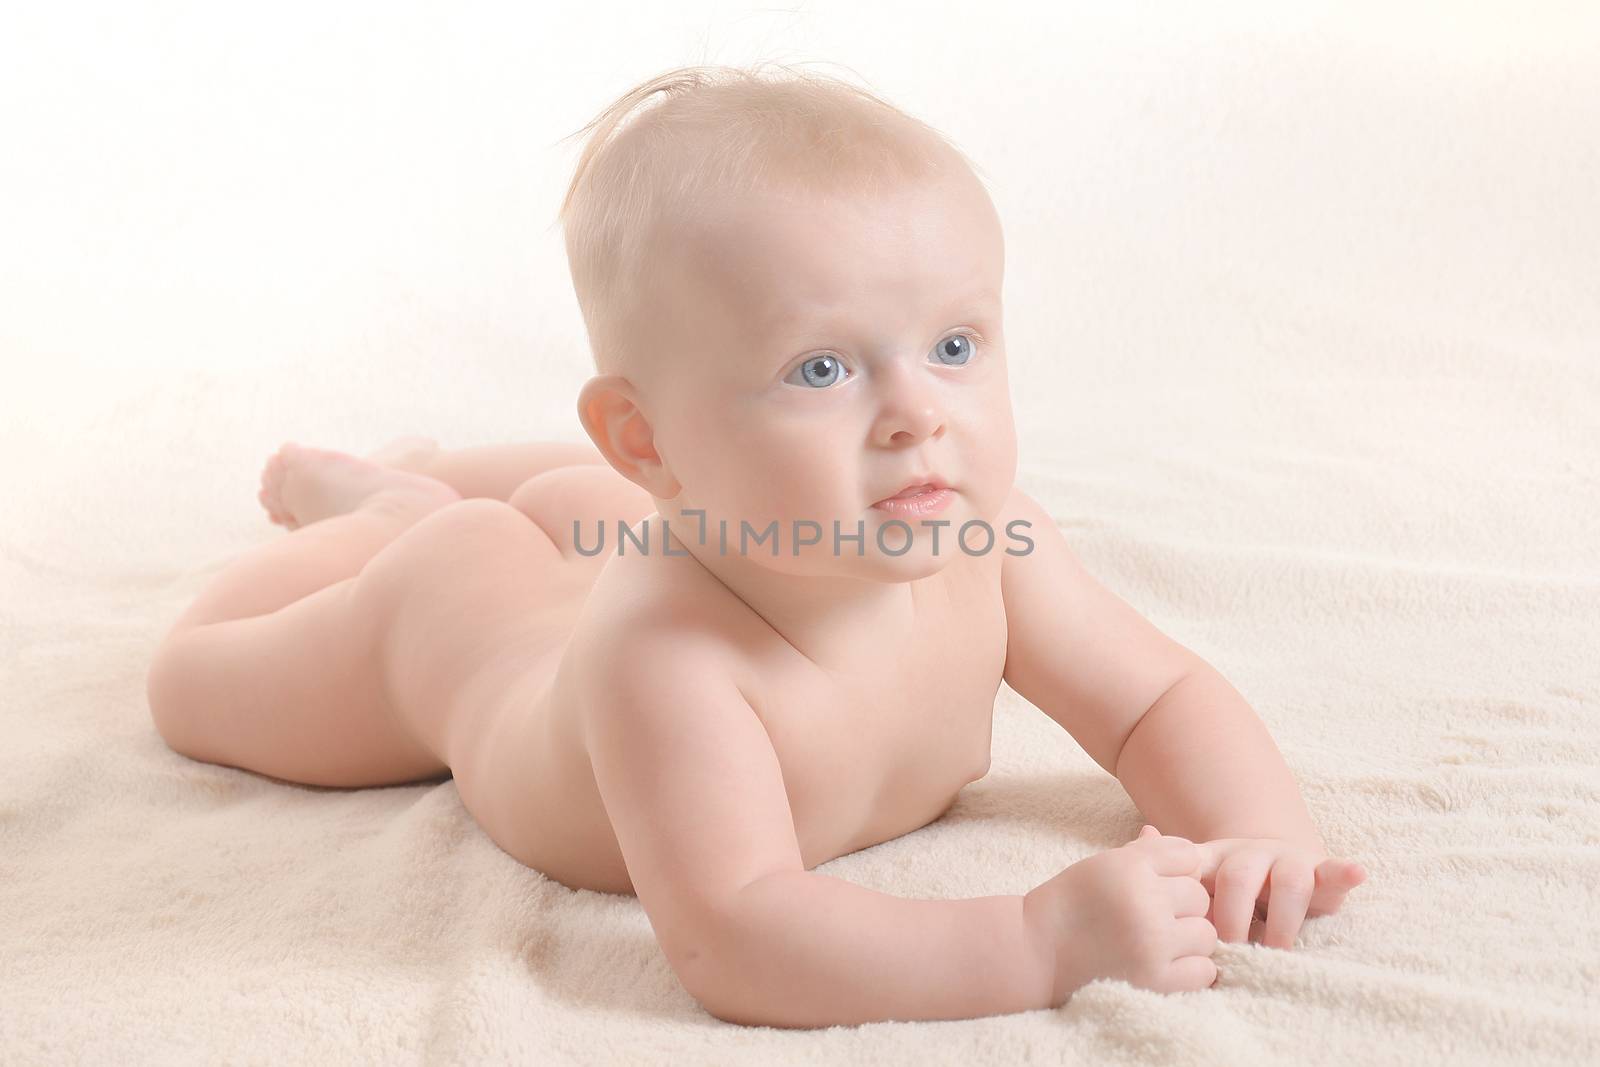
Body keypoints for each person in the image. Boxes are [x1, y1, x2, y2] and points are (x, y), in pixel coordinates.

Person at [146, 61, 1366, 1029]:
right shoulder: (668, 660)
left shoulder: (989, 539)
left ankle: (433, 476)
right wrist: (1036, 938)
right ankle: (382, 511)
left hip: (665, 520)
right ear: (653, 433)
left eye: (953, 344)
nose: (915, 411)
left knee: (593, 506)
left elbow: (1156, 698)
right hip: (460, 637)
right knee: (203, 675)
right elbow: (738, 930)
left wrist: (1259, 830)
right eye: (822, 367)